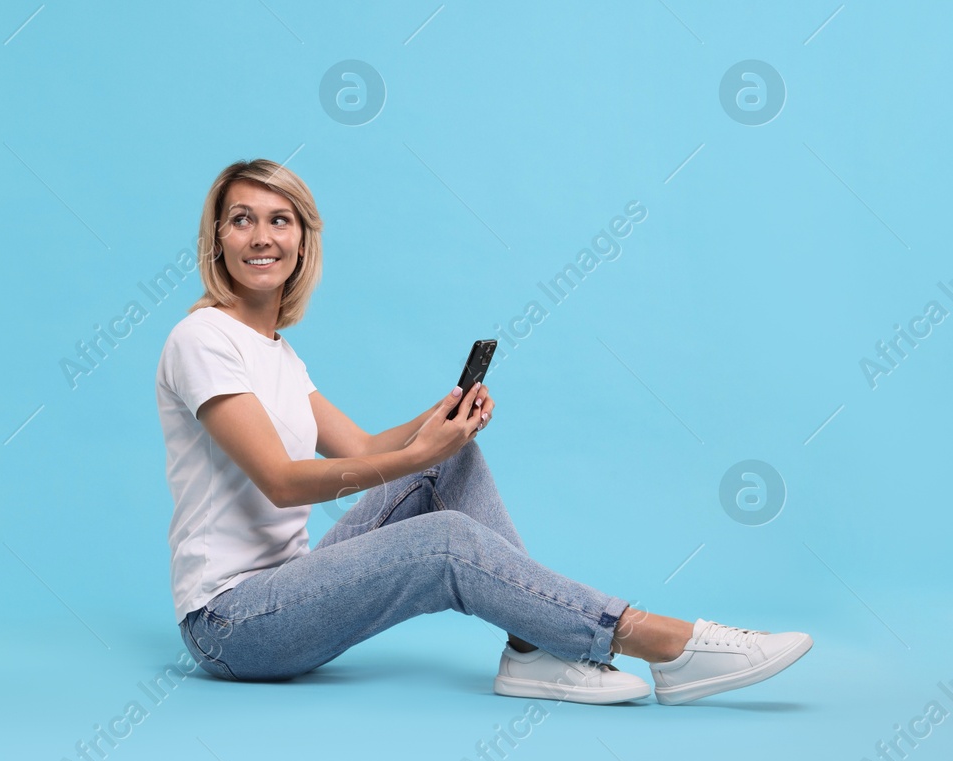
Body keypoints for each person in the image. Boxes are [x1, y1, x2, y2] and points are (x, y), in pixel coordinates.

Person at [156, 158, 812, 704]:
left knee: (449, 466)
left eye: (280, 219)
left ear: (303, 239)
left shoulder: (276, 352)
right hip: (231, 623)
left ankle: (532, 651)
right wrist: (417, 450)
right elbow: (279, 481)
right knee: (443, 540)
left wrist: (441, 422)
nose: (262, 235)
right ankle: (660, 640)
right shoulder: (202, 339)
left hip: (290, 588)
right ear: (217, 239)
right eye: (242, 220)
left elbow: (358, 450)